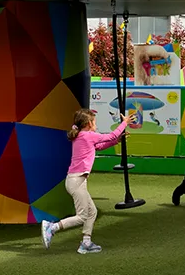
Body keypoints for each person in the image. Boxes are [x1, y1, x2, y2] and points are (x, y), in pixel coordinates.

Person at [41, 108, 136, 255]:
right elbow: (111, 135)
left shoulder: (82, 136)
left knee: (92, 212)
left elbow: (99, 146)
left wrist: (116, 141)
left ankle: (86, 243)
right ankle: (52, 227)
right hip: (76, 181)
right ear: (89, 123)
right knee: (82, 216)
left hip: (76, 181)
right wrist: (124, 123)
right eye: (95, 122)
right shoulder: (88, 135)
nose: (96, 125)